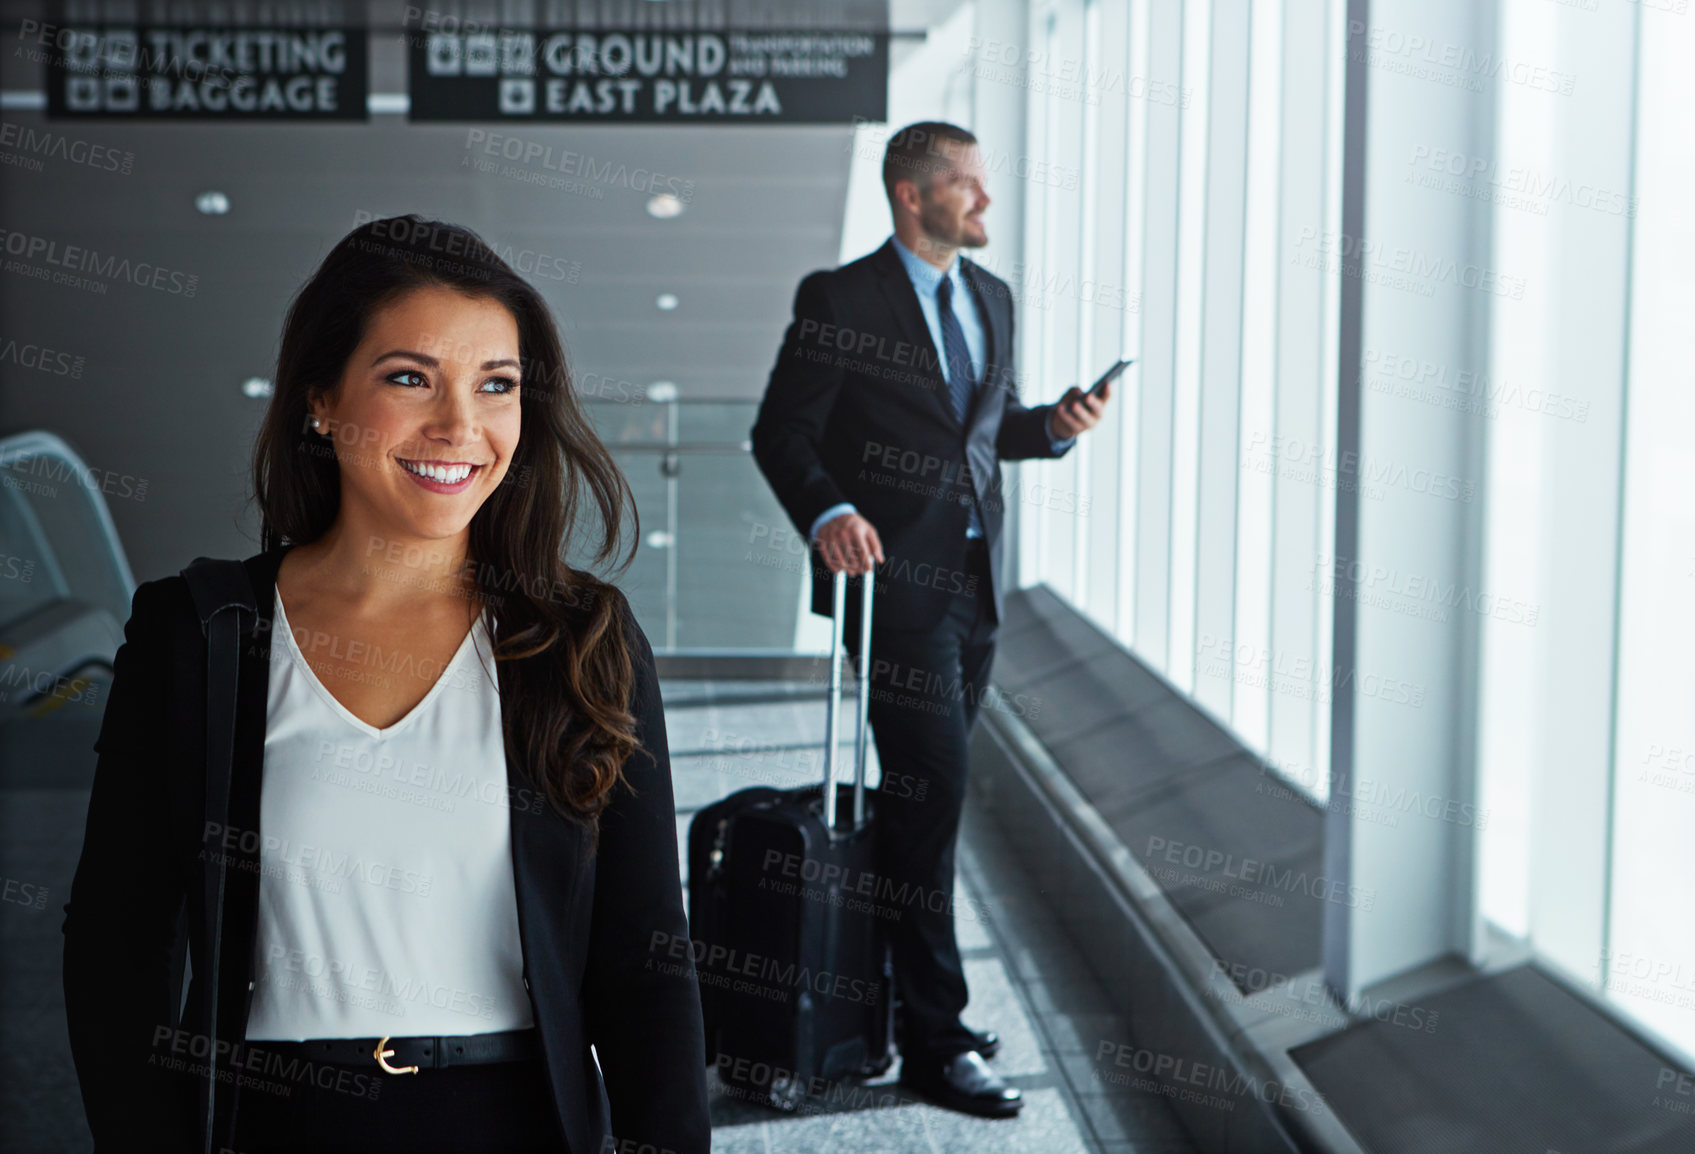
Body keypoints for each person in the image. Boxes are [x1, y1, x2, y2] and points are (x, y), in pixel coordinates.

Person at [61, 215, 710, 1154]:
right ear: (321, 399)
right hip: (269, 1124)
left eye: (497, 386)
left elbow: (646, 964)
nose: (459, 426)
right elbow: (118, 944)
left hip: (512, 1125)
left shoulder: (581, 642)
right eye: (410, 378)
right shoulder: (201, 631)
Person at [750, 122, 1112, 1117]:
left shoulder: (989, 298)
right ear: (912, 195)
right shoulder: (840, 299)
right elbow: (779, 431)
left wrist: (1054, 426)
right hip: (895, 593)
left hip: (975, 588)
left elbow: (982, 440)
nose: (985, 205)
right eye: (967, 187)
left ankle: (909, 1003)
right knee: (931, 796)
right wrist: (829, 509)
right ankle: (934, 1039)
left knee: (926, 809)